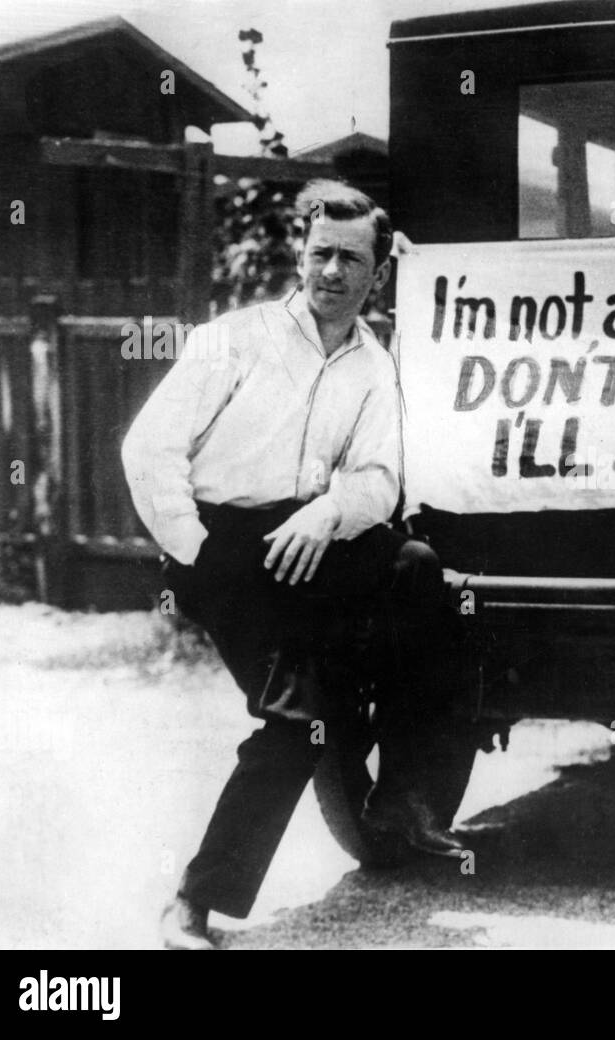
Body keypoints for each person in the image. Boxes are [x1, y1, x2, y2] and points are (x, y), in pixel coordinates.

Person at [123, 180, 470, 951]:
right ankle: (192, 902)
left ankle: (401, 800)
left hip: (313, 538)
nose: (333, 274)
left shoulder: (373, 364)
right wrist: (201, 551)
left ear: (377, 275)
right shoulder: (234, 340)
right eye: (321, 254)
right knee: (303, 724)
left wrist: (326, 512)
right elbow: (150, 450)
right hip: (224, 547)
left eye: (352, 260)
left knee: (417, 566)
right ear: (299, 254)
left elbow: (379, 480)